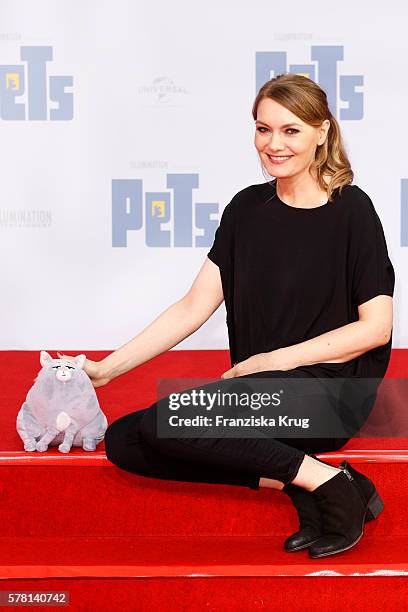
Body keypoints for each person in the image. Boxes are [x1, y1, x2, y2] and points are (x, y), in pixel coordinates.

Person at [58, 73, 395, 559]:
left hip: (330, 393)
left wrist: (272, 361)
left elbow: (375, 327)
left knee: (161, 424)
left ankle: (332, 484)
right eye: (263, 129)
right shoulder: (246, 209)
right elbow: (194, 307)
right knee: (124, 441)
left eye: (290, 130)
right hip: (260, 393)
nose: (273, 144)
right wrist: (106, 370)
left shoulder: (353, 211)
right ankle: (306, 483)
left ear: (322, 132)